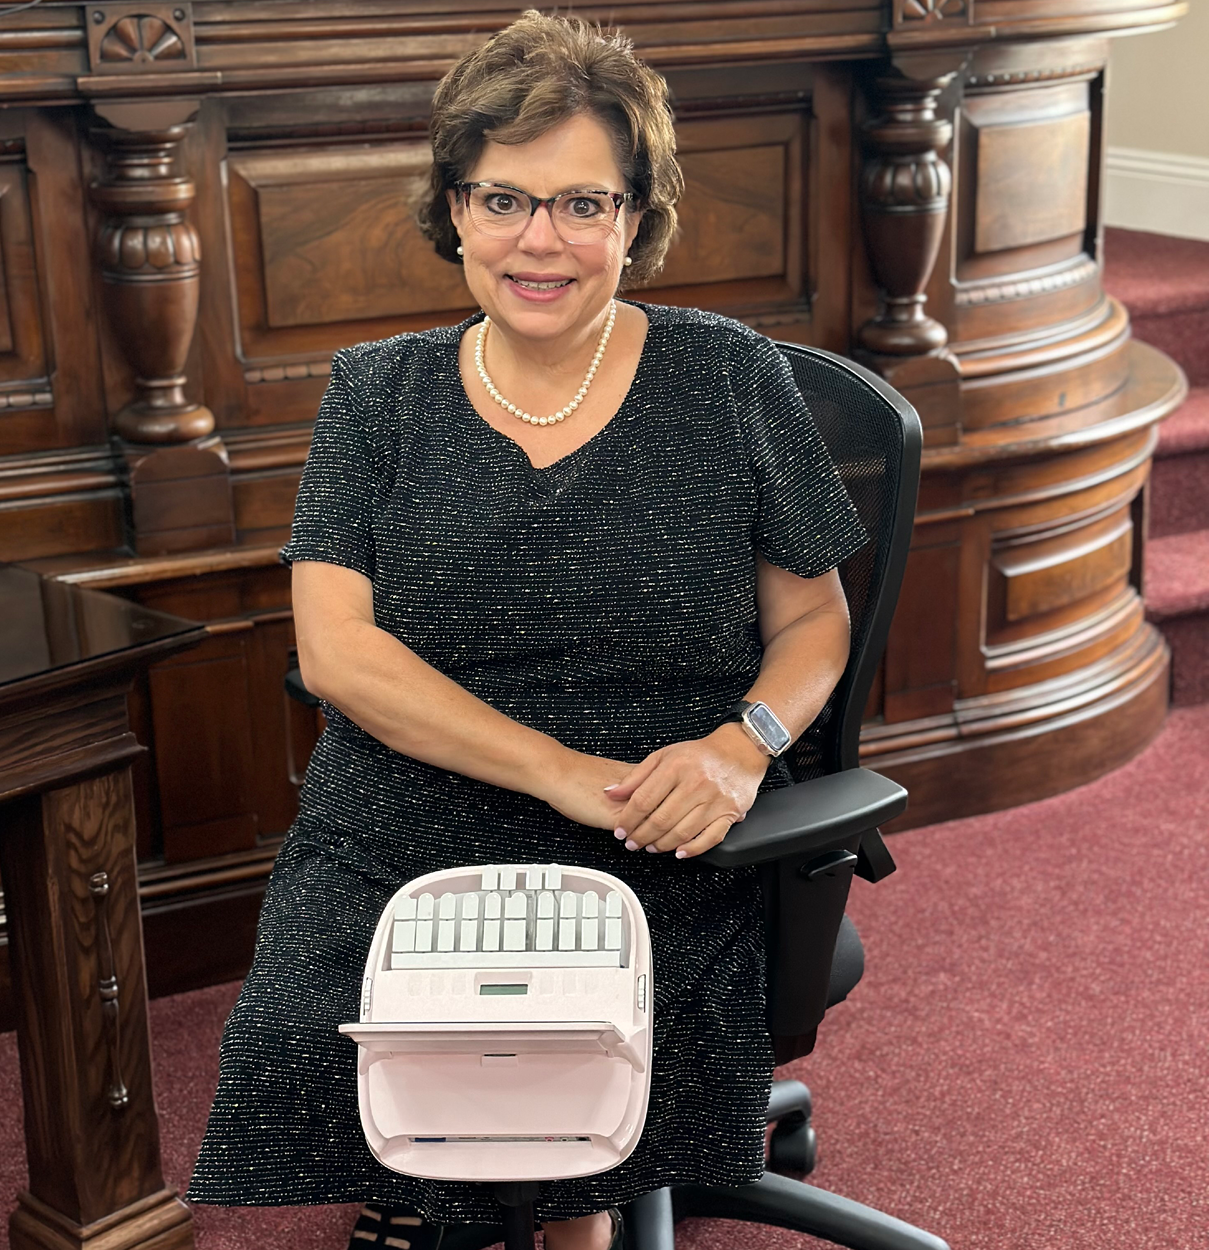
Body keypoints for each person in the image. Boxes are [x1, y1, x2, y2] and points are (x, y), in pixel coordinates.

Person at [188, 11, 867, 1250]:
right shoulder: (374, 393)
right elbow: (337, 651)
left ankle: (560, 1216)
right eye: (502, 198)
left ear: (634, 216)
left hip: (658, 818)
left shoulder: (725, 374)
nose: (537, 241)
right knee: (316, 1027)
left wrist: (741, 743)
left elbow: (813, 617)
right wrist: (554, 775)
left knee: (570, 1065)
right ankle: (458, 1183)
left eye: (580, 204)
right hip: (410, 809)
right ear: (452, 206)